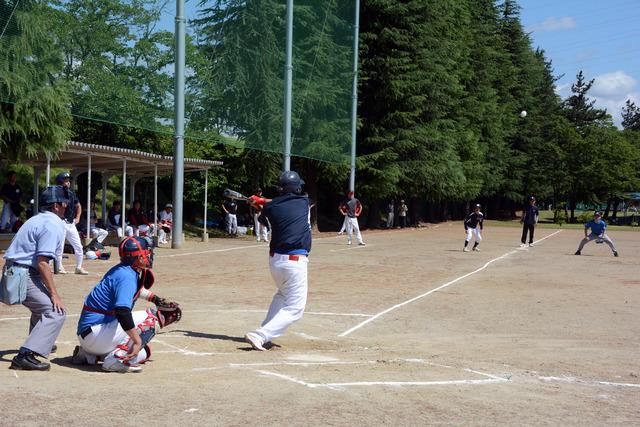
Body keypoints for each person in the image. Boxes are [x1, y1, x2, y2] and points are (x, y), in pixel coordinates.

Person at [71, 236, 182, 372]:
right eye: (146, 253)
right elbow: (122, 312)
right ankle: (115, 360)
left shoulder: (123, 270)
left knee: (144, 353)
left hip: (91, 334)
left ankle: (89, 355)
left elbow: (136, 291)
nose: (149, 255)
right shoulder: (127, 276)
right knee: (152, 318)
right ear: (139, 256)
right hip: (96, 333)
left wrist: (156, 300)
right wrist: (136, 340)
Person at [244, 171, 312, 351]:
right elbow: (283, 204)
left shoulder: (271, 207)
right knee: (295, 308)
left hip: (276, 262)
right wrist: (261, 202)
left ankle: (264, 331)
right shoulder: (304, 202)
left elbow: (270, 210)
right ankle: (260, 335)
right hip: (294, 262)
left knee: (282, 295)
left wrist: (258, 203)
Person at [4, 186, 68, 370]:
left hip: (17, 271)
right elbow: (42, 263)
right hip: (22, 274)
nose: (66, 206)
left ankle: (39, 342)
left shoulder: (38, 218)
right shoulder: (52, 224)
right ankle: (25, 355)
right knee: (56, 311)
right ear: (56, 206)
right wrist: (54, 294)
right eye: (63, 203)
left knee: (42, 308)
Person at [55, 172, 88, 275]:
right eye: (66, 180)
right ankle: (59, 267)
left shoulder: (71, 193)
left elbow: (78, 206)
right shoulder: (55, 193)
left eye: (68, 180)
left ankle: (78, 267)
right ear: (60, 181)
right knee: (60, 247)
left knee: (79, 246)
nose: (68, 182)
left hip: (70, 223)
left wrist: (77, 218)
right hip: (60, 222)